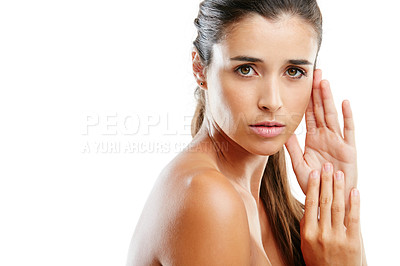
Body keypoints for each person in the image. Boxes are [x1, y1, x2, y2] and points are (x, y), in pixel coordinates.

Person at [126, 0, 367, 265]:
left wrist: (338, 208)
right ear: (199, 69)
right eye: (246, 69)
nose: (272, 101)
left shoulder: (273, 203)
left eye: (294, 71)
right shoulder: (208, 197)